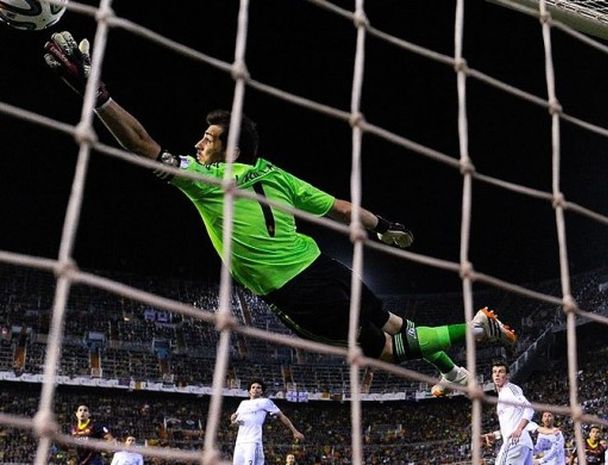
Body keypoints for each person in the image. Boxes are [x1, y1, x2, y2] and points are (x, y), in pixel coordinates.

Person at [43, 31, 517, 391]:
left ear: (229, 149)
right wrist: (383, 227)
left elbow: (143, 145)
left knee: (387, 350)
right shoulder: (276, 174)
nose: (198, 143)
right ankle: (454, 372)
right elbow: (340, 208)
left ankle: (473, 332)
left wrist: (97, 96)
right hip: (325, 266)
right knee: (391, 321)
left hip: (296, 292)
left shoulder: (211, 180)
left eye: (207, 139)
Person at [230, 379, 304, 465]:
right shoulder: (243, 404)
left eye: (258, 388)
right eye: (253, 387)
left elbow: (281, 416)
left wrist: (294, 431)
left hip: (253, 441)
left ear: (261, 391)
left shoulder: (265, 402)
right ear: (249, 391)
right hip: (240, 442)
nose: (255, 389)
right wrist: (232, 420)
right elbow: (237, 424)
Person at [482, 361, 534, 465]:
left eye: (501, 371)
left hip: (515, 443)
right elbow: (511, 423)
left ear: (507, 376)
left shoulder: (510, 389)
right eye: (494, 372)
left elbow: (529, 408)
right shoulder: (502, 395)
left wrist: (519, 429)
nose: (497, 374)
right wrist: (495, 435)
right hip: (523, 445)